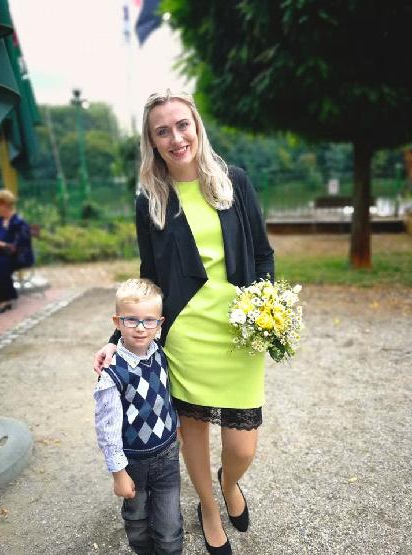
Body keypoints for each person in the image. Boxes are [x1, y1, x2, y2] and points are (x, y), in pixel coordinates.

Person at [94, 90, 274, 555]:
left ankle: (228, 483)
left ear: (196, 127)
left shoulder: (234, 182)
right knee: (192, 435)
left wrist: (266, 311)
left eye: (182, 125)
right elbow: (149, 276)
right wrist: (119, 339)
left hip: (240, 331)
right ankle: (209, 510)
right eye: (162, 131)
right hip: (186, 336)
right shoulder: (150, 201)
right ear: (152, 142)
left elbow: (262, 254)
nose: (175, 138)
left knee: (242, 448)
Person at [94, 278, 183, 555]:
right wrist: (118, 473)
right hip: (134, 462)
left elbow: (166, 397)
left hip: (167, 455)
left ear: (160, 323)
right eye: (131, 320)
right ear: (117, 322)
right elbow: (107, 430)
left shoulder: (160, 354)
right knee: (137, 519)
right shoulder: (112, 373)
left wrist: (176, 428)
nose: (141, 328)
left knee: (170, 525)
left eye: (149, 321)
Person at [0, 190, 34, 314]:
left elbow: (19, 247)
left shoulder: (19, 223)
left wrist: (0, 244)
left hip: (20, 256)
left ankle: (6, 299)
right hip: (2, 255)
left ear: (3, 204)